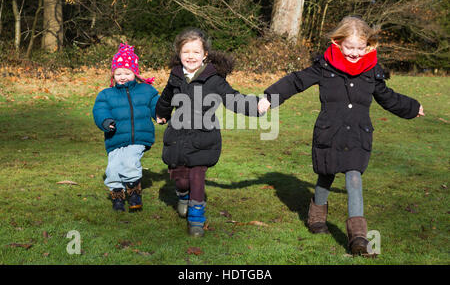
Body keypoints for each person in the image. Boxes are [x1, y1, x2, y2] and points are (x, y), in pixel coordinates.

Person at [258, 16, 425, 255]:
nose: (355, 53)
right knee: (326, 173)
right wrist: (269, 98)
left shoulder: (371, 72)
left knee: (354, 177)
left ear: (367, 46)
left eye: (360, 48)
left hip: (358, 135)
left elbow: (387, 97)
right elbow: (296, 81)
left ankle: (358, 237)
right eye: (350, 48)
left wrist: (411, 107)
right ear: (338, 43)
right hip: (329, 132)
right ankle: (316, 218)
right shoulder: (324, 67)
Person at [156, 27, 259, 237]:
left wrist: (256, 106)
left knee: (196, 177)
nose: (190, 56)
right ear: (179, 54)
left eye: (195, 52)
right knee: (181, 179)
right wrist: (161, 113)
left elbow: (234, 99)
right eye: (186, 52)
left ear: (205, 55)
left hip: (203, 138)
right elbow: (166, 98)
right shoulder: (175, 76)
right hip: (177, 137)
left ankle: (196, 218)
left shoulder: (214, 80)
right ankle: (182, 195)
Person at [93, 43, 159, 212]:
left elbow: (155, 103)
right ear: (113, 75)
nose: (122, 77)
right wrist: (106, 121)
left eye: (127, 73)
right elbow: (100, 110)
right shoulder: (106, 94)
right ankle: (117, 195)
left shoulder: (147, 90)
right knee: (113, 169)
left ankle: (134, 191)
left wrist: (159, 114)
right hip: (115, 138)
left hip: (138, 136)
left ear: (135, 73)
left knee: (130, 162)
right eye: (118, 73)